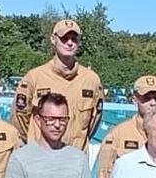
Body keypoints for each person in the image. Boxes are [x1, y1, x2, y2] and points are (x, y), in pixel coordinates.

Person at [12, 19, 103, 149]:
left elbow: (94, 122)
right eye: (64, 38)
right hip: (41, 159)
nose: (69, 43)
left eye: (74, 39)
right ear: (53, 39)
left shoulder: (91, 80)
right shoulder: (34, 77)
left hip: (74, 160)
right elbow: (19, 120)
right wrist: (33, 145)